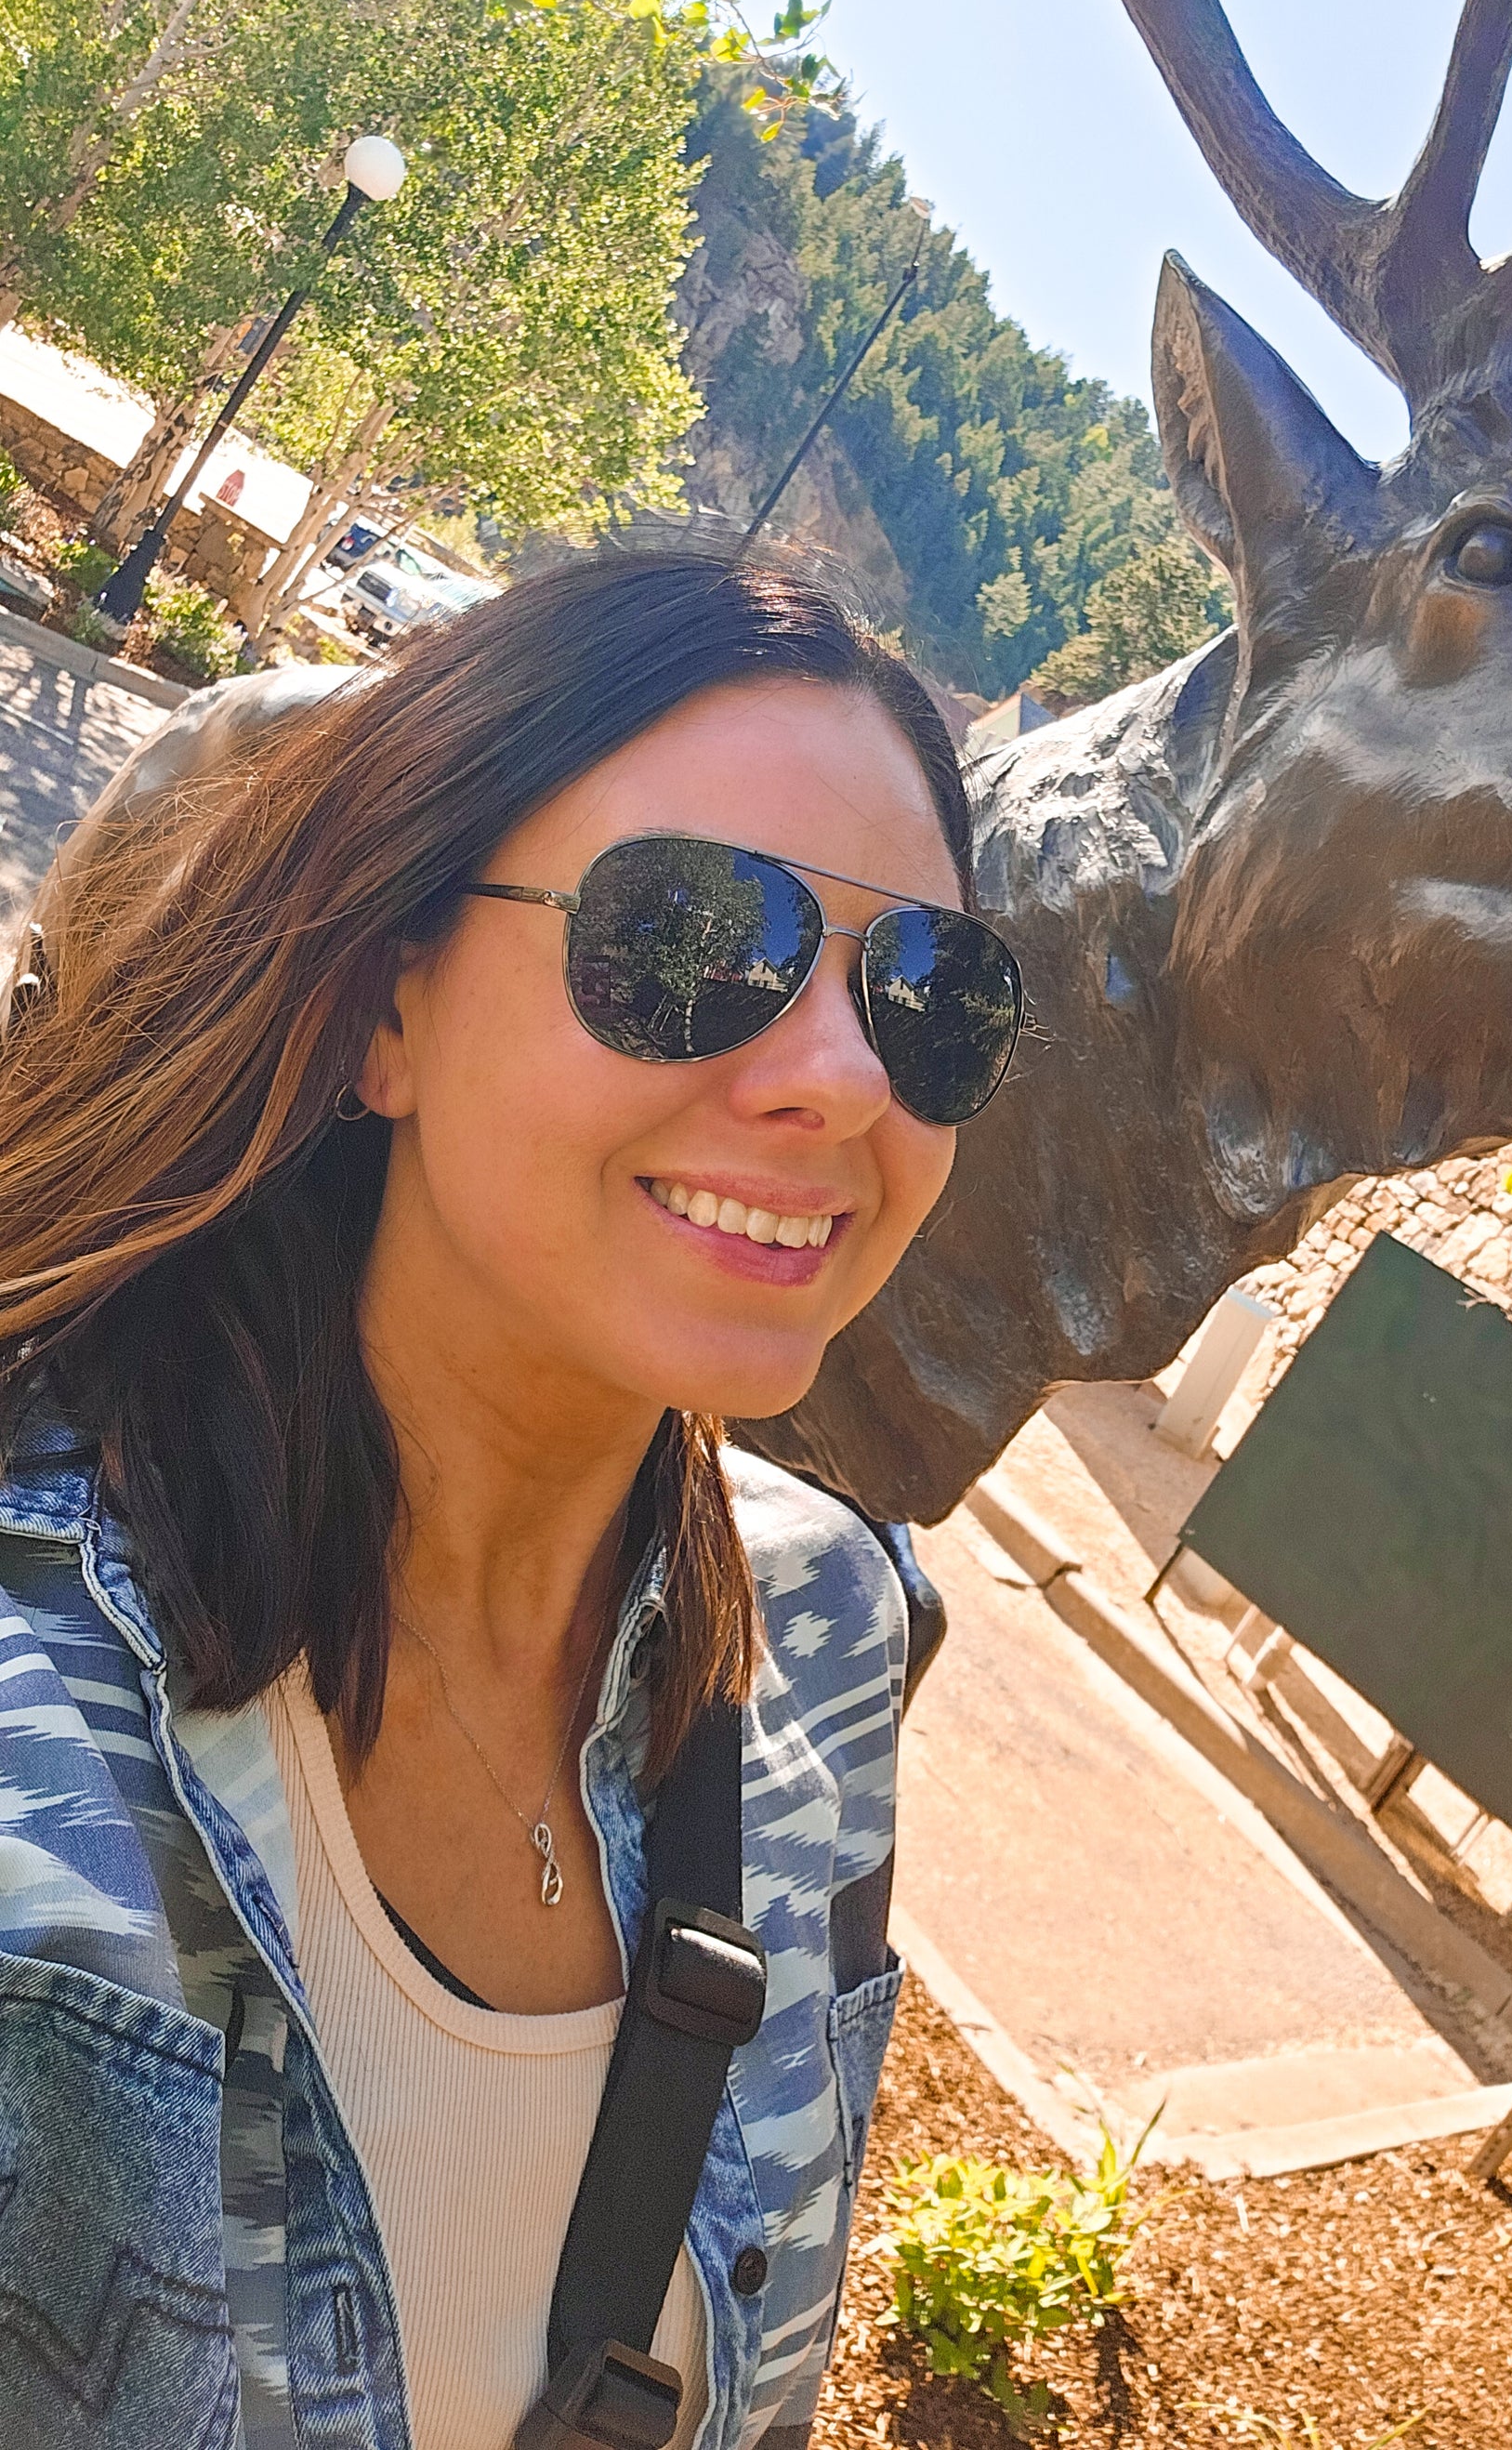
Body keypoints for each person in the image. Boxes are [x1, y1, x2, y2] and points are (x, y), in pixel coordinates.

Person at [0, 546, 1023, 2450]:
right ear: (383, 1006)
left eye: (925, 992)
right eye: (689, 933)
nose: (838, 1077)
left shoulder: (821, 1635)